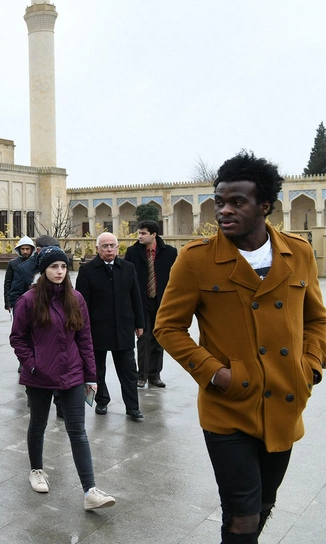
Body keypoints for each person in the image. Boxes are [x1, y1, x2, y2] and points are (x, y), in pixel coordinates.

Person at [155, 151, 326, 543]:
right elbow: (168, 327)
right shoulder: (196, 260)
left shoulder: (297, 253)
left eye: (237, 202)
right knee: (242, 515)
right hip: (229, 405)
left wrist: (310, 365)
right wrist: (216, 373)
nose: (223, 211)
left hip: (285, 400)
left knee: (263, 504)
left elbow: (317, 319)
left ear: (264, 206)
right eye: (219, 201)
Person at [10, 246, 116, 511]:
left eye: (63, 267)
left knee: (78, 431)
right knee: (38, 423)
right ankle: (36, 469)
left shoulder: (76, 298)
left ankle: (90, 490)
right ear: (43, 271)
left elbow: (85, 339)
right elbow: (17, 338)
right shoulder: (29, 300)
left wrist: (91, 375)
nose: (59, 271)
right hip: (39, 375)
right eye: (53, 267)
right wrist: (32, 364)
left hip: (72, 373)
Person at [75, 232, 144, 420]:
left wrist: (140, 323)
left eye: (112, 245)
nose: (109, 249)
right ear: (97, 249)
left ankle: (133, 407)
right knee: (97, 369)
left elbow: (136, 297)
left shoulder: (128, 268)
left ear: (117, 247)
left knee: (129, 370)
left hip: (123, 328)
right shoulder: (87, 270)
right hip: (97, 329)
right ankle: (102, 401)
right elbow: (81, 304)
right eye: (105, 246)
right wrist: (81, 329)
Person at [123, 220, 177, 388]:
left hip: (161, 302)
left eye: (143, 233)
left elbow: (176, 278)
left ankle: (155, 374)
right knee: (143, 337)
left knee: (158, 337)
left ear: (154, 235)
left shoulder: (170, 252)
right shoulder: (132, 252)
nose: (140, 236)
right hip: (140, 302)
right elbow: (126, 278)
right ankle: (142, 376)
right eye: (139, 233)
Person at [7, 235, 61, 308]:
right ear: (38, 250)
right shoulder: (23, 269)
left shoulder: (61, 268)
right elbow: (15, 295)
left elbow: (68, 290)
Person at [3, 236, 36, 311]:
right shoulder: (12, 263)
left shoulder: (36, 263)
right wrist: (7, 303)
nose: (25, 251)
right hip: (17, 299)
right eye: (23, 249)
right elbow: (7, 284)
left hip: (33, 300)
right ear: (19, 249)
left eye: (27, 249)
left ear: (31, 250)